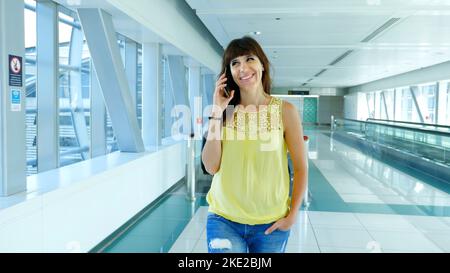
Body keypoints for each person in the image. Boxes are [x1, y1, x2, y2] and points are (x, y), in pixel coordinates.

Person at [201, 36, 308, 253]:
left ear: (262, 65)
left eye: (249, 59)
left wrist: (292, 216)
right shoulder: (223, 112)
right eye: (235, 63)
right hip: (224, 219)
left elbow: (300, 167)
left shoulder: (285, 111)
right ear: (228, 73)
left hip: (271, 222)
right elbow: (211, 167)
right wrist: (216, 111)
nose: (243, 68)